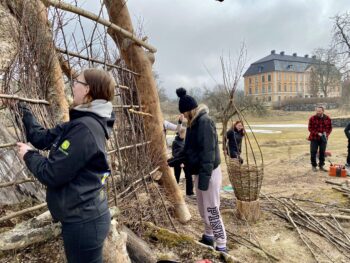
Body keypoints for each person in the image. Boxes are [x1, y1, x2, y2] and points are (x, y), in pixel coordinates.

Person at [5, 68, 115, 263]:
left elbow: (52, 173)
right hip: (85, 216)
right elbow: (42, 138)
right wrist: (21, 107)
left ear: (87, 89)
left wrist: (29, 155)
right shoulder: (82, 122)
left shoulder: (85, 129)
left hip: (84, 221)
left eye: (76, 82)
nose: (72, 85)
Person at [175, 87, 227, 252]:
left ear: (190, 110)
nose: (183, 117)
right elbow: (189, 149)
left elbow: (208, 154)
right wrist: (176, 158)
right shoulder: (193, 123)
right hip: (201, 173)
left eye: (184, 113)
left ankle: (221, 244)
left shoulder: (205, 122)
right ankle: (208, 236)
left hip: (209, 172)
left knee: (212, 210)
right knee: (203, 208)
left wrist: (204, 179)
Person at [171, 125, 194, 196]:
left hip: (186, 161)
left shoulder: (186, 141)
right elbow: (175, 153)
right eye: (184, 134)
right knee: (176, 177)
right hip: (178, 161)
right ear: (179, 133)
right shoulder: (175, 142)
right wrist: (180, 162)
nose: (185, 135)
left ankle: (189, 192)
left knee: (189, 176)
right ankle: (175, 192)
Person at [308, 106, 332, 172]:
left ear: (323, 111)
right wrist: (317, 133)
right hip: (314, 138)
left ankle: (321, 166)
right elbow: (310, 128)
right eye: (317, 111)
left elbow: (330, 128)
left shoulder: (327, 118)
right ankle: (314, 166)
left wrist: (326, 134)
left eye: (319, 111)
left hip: (323, 139)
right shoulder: (312, 118)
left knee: (322, 152)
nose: (318, 112)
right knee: (313, 152)